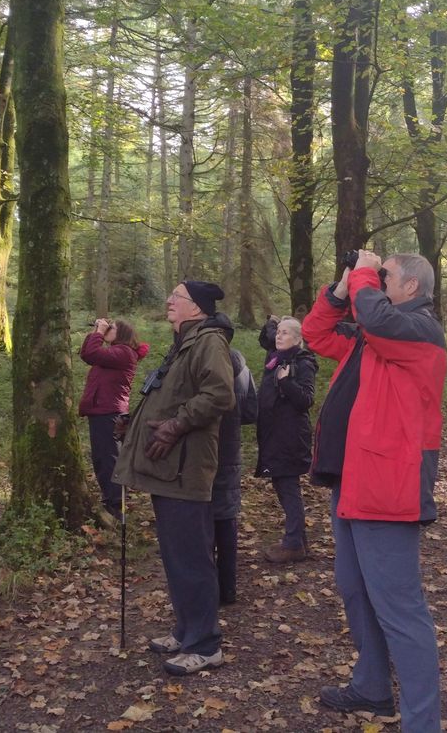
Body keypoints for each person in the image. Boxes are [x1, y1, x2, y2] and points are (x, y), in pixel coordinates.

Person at [302, 250, 446, 733]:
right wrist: (341, 291)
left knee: (400, 608)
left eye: (385, 278)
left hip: (388, 486)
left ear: (410, 288)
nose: (377, 284)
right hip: (351, 481)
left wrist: (364, 271)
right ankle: (372, 688)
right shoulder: (371, 336)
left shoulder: (420, 330)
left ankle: (422, 722)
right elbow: (316, 334)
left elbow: (379, 321)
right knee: (356, 591)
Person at [112, 280, 235, 676]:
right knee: (176, 555)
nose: (169, 301)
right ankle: (186, 631)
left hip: (186, 467)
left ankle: (205, 644)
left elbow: (219, 394)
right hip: (167, 469)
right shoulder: (185, 341)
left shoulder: (209, 342)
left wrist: (177, 425)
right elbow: (174, 392)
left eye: (176, 297)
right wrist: (136, 425)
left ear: (196, 308)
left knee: (192, 558)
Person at [255, 315, 317, 563]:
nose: (279, 336)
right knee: (282, 485)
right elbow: (266, 337)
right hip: (273, 434)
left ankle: (293, 544)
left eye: (285, 333)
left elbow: (306, 400)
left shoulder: (303, 362)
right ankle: (298, 541)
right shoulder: (276, 356)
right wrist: (274, 321)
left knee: (288, 486)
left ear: (298, 339)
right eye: (278, 332)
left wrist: (286, 381)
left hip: (290, 436)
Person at [78, 317, 150, 518]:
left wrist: (99, 333)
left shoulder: (123, 353)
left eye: (112, 328)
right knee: (104, 457)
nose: (107, 330)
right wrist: (96, 332)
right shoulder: (116, 353)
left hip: (109, 412)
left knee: (108, 459)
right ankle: (113, 500)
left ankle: (116, 505)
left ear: (123, 334)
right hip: (105, 410)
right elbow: (87, 354)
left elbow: (92, 353)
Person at [211, 341, 257, 605]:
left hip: (204, 450)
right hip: (231, 451)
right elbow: (251, 410)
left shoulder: (203, 362)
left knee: (205, 523)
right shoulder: (241, 365)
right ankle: (228, 588)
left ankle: (210, 590)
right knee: (226, 519)